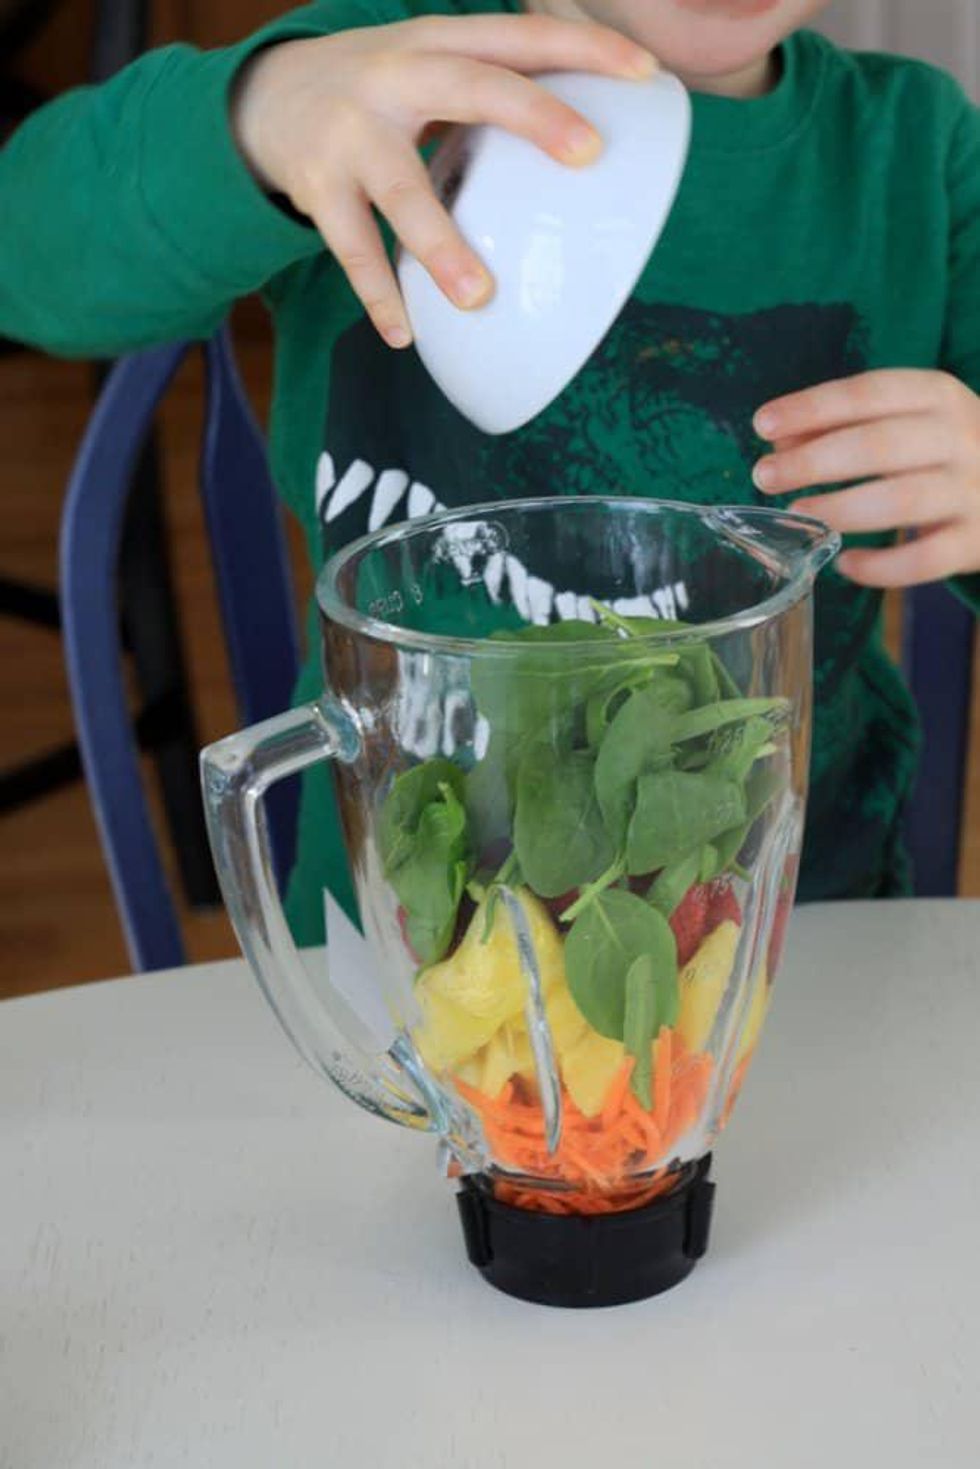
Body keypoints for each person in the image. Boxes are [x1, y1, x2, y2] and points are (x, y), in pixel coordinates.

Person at [2, 0, 978, 941]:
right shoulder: (378, 82)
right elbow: (26, 250)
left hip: (796, 937)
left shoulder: (918, 154)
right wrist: (260, 122)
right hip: (390, 942)